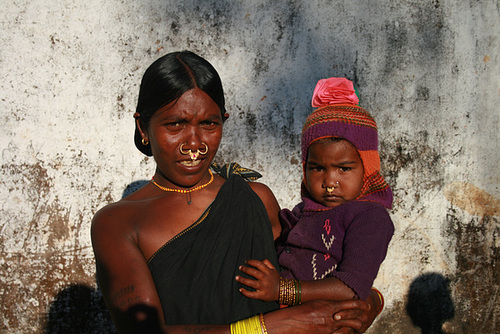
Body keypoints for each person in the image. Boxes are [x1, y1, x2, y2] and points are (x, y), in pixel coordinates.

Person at [91, 52, 380, 334]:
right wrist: (276, 327)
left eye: (208, 124)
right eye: (175, 125)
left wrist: (368, 304)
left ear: (223, 121)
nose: (194, 143)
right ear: (143, 126)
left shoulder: (255, 199)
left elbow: (313, 275)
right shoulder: (117, 223)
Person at [236, 78, 394, 309]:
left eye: (344, 168)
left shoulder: (369, 217)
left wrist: (282, 290)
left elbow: (351, 287)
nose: (329, 182)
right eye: (317, 168)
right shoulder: (306, 211)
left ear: (368, 168)